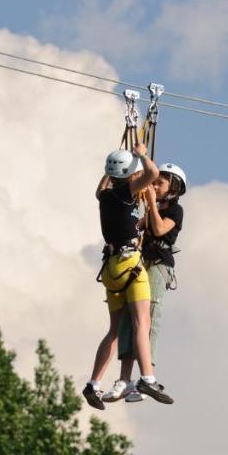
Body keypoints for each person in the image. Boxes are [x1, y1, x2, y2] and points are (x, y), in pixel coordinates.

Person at [83, 142, 174, 409]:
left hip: (111, 269)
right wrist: (142, 155)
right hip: (130, 264)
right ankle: (147, 377)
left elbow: (103, 184)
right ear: (129, 176)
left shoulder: (105, 195)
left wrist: (121, 160)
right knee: (141, 323)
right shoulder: (126, 192)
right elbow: (153, 173)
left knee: (113, 330)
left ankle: (93, 384)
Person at [101, 161, 186, 403]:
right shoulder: (151, 208)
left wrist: (149, 202)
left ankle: (147, 377)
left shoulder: (174, 212)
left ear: (173, 188)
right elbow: (136, 227)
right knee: (130, 319)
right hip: (140, 263)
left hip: (158, 266)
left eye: (160, 183)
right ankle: (125, 379)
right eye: (154, 182)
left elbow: (159, 230)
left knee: (149, 321)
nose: (155, 185)